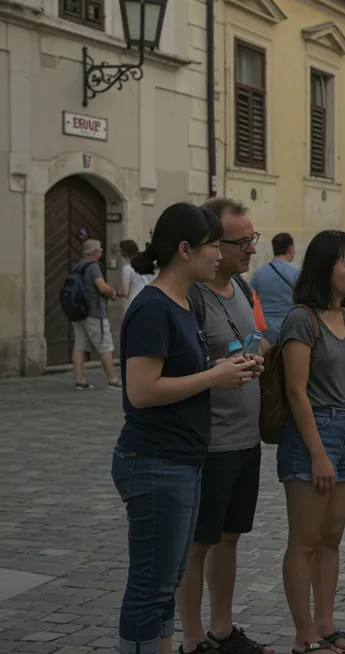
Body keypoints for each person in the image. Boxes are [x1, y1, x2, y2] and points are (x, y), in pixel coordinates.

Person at [113, 203, 259, 654]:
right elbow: (141, 391)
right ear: (184, 250)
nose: (219, 255)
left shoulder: (178, 302)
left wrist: (220, 366)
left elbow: (180, 371)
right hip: (156, 461)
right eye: (213, 245)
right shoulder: (154, 307)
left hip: (181, 459)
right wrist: (214, 377)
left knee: (167, 581)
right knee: (151, 586)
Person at [175, 198, 275, 654]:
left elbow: (252, 338)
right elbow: (182, 368)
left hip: (245, 437)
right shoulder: (191, 295)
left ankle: (221, 627)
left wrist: (263, 350)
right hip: (208, 443)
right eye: (241, 240)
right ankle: (194, 639)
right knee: (197, 544)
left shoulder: (241, 286)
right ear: (212, 243)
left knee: (229, 539)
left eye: (252, 238)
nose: (250, 247)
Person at [276, 230, 345, 654]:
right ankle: (304, 635)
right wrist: (317, 453)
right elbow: (296, 391)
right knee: (306, 539)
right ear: (324, 268)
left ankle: (326, 623)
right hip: (313, 433)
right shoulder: (302, 318)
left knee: (331, 536)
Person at [71, 238, 122, 390]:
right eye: (99, 250)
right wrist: (113, 293)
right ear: (94, 252)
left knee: (79, 346)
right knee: (105, 346)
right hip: (94, 312)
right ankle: (113, 380)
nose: (101, 252)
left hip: (78, 313)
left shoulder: (78, 266)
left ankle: (80, 381)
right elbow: (101, 287)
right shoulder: (93, 267)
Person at [250, 232, 301, 343]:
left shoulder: (259, 272)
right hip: (290, 327)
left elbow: (251, 298)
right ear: (290, 249)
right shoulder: (296, 273)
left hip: (265, 330)